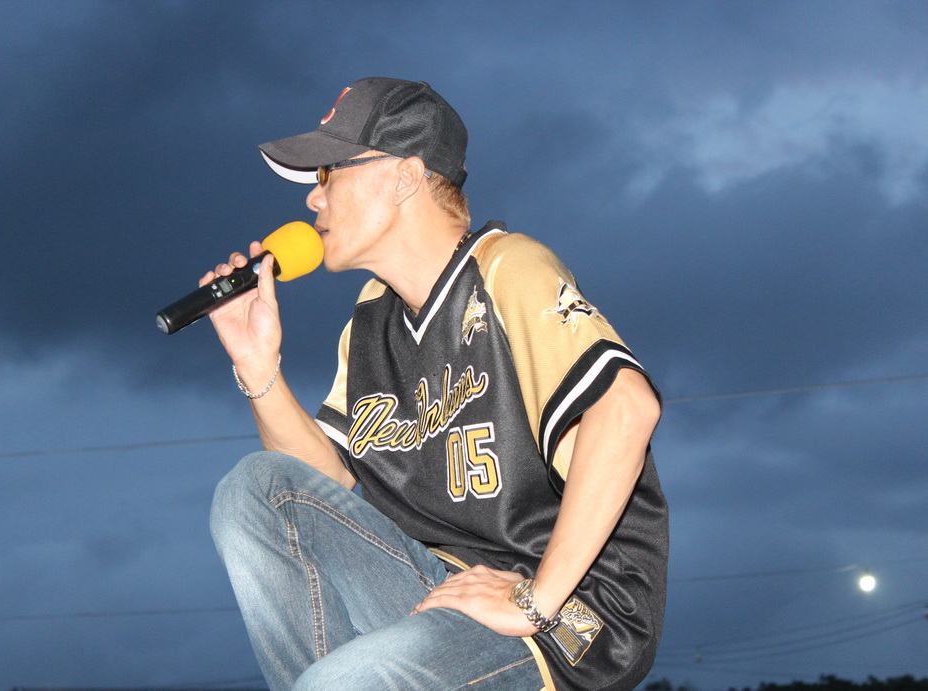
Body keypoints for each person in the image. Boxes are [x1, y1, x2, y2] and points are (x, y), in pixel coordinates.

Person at [207, 77, 668, 690]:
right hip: (439, 587)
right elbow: (322, 487)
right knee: (256, 489)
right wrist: (256, 364)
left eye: (328, 174)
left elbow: (627, 409)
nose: (314, 198)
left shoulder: (506, 266)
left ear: (404, 177)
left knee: (340, 685)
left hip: (566, 611)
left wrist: (534, 600)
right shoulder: (371, 319)